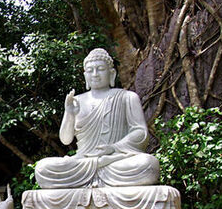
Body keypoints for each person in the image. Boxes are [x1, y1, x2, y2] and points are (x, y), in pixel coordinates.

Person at [33, 48, 160, 188]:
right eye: (90, 70)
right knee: (42, 168)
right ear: (85, 75)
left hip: (114, 162)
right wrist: (69, 113)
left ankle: (96, 176)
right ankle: (95, 175)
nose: (95, 74)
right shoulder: (76, 101)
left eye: (100, 69)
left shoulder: (127, 97)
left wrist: (113, 148)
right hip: (82, 163)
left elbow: (141, 133)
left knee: (148, 165)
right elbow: (65, 139)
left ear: (112, 73)